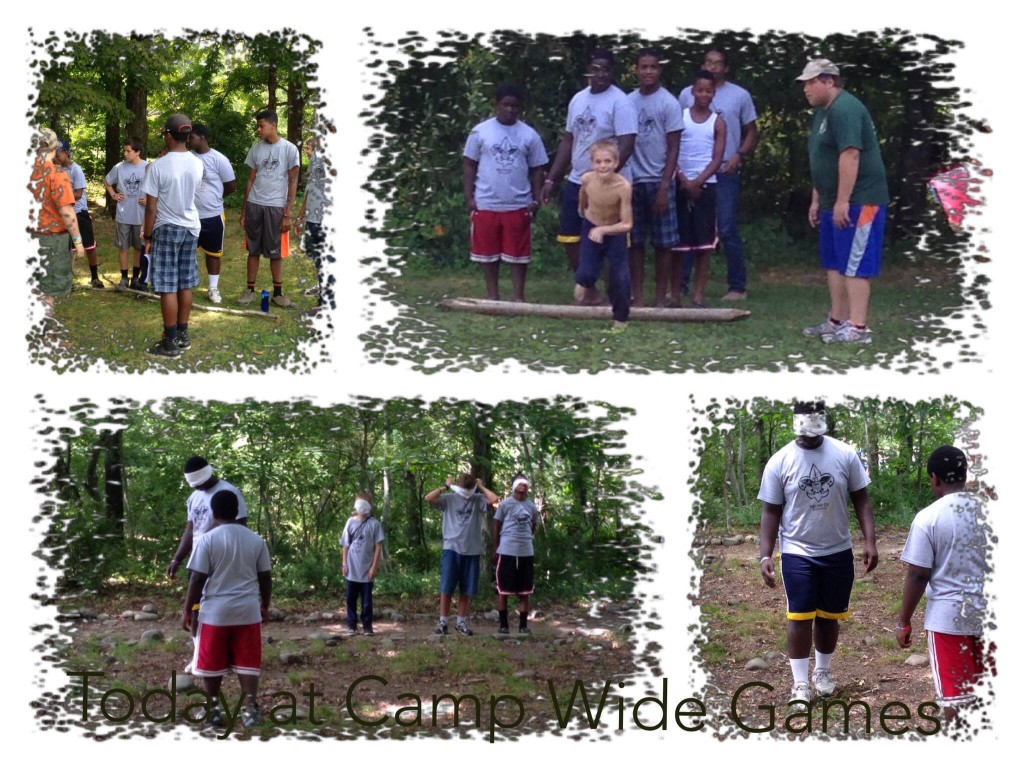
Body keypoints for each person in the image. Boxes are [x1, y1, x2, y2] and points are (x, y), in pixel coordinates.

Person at [757, 400, 878, 708]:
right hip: (798, 550)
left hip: (837, 549)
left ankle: (822, 673)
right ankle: (799, 684)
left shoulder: (844, 455)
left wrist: (870, 540)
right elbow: (771, 511)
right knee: (799, 615)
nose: (810, 436)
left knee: (828, 615)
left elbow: (861, 499)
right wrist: (765, 554)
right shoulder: (780, 461)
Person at [797, 58, 890, 344]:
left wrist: (842, 202)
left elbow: (850, 155)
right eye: (804, 84)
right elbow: (821, 159)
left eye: (811, 82)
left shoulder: (846, 109)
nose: (806, 89)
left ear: (829, 81)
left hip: (860, 199)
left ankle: (858, 328)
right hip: (832, 200)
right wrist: (817, 200)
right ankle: (836, 321)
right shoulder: (823, 113)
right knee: (835, 262)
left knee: (855, 263)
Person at [898, 446, 991, 722]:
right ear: (964, 475)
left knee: (955, 699)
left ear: (935, 478)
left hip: (948, 622)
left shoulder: (928, 518)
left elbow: (917, 574)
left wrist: (904, 620)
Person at [542, 50, 637, 274]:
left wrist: (606, 177)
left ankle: (614, 289)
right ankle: (586, 285)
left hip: (609, 182)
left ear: (612, 72)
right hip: (579, 179)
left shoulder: (620, 102)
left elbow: (627, 143)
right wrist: (551, 179)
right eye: (596, 69)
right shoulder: (578, 99)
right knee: (570, 235)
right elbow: (568, 140)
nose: (601, 74)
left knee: (608, 238)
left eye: (606, 69)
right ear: (588, 70)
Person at [183, 489, 271, 729]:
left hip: (215, 612)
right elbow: (265, 577)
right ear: (237, 511)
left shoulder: (208, 540)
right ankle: (250, 709)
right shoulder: (256, 540)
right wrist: (265, 606)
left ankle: (213, 709)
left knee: (211, 663)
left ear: (214, 512)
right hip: (247, 609)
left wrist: (187, 610)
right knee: (248, 661)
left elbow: (196, 579)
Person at [678, 47, 758, 301]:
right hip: (689, 172)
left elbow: (752, 131)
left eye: (718, 63)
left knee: (725, 227)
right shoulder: (684, 95)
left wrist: (739, 155)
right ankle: (681, 285)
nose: (713, 67)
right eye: (709, 63)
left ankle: (737, 286)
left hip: (724, 170)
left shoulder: (739, 95)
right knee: (687, 229)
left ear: (726, 67)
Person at [462, 83, 548, 302]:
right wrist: (469, 197)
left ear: (521, 108)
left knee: (518, 255)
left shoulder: (529, 135)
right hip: (486, 201)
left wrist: (537, 197)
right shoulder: (480, 131)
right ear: (496, 105)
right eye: (505, 105)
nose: (510, 110)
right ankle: (493, 296)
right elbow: (469, 164)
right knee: (488, 254)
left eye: (515, 106)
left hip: (518, 203)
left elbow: (537, 167)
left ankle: (519, 298)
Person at [141, 113, 204, 357]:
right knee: (185, 283)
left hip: (166, 227)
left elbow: (151, 207)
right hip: (191, 227)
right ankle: (183, 334)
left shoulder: (158, 166)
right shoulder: (197, 163)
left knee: (168, 285)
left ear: (169, 135)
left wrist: (147, 236)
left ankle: (169, 342)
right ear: (188, 136)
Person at [626, 49, 683, 307]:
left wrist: (664, 185)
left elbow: (673, 148)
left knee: (663, 244)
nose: (648, 71)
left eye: (653, 67)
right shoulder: (627, 102)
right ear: (636, 70)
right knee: (634, 243)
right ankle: (638, 297)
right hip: (632, 181)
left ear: (660, 70)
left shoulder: (668, 103)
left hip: (659, 180)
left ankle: (660, 298)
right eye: (643, 67)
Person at [424, 473, 500, 636]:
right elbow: (428, 498)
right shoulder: (449, 498)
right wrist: (444, 486)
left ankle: (461, 622)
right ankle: (443, 621)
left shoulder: (477, 499)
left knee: (467, 588)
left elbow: (494, 500)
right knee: (447, 587)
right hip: (451, 548)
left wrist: (479, 486)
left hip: (472, 549)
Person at [238, 109, 300, 308]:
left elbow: (293, 182)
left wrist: (287, 213)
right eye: (258, 125)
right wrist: (245, 210)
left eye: (261, 125)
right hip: (256, 204)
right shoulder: (256, 149)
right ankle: (249, 290)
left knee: (275, 252)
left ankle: (278, 293)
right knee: (253, 250)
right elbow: (250, 180)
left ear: (273, 125)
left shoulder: (289, 150)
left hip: (276, 207)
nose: (258, 129)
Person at [674, 70, 725, 308]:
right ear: (692, 92)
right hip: (680, 185)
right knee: (677, 243)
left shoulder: (718, 122)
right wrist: (683, 179)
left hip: (706, 187)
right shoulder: (679, 117)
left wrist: (698, 181)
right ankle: (674, 294)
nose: (703, 94)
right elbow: (671, 151)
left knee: (704, 245)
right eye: (699, 90)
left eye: (708, 91)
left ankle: (697, 296)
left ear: (714, 93)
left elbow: (717, 158)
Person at [574, 140, 633, 330]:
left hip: (614, 230)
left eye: (607, 161)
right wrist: (584, 214)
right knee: (586, 273)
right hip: (591, 226)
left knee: (620, 278)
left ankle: (620, 319)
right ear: (592, 164)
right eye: (598, 162)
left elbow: (627, 223)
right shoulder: (587, 179)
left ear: (616, 163)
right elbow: (583, 198)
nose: (603, 166)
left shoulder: (623, 187)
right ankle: (583, 282)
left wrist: (603, 230)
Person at [167, 455, 250, 579]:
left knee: (216, 596)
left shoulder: (229, 492)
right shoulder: (193, 498)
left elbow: (240, 527)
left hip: (222, 560)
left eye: (200, 483)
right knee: (197, 596)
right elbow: (190, 531)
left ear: (209, 475)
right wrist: (176, 559)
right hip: (198, 559)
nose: (198, 487)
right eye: (195, 485)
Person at [29, 127, 84, 308]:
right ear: (53, 147)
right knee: (48, 293)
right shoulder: (57, 174)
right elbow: (67, 212)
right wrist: (77, 241)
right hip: (51, 241)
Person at [187, 123, 237, 305]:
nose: (188, 140)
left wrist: (215, 197)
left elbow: (231, 186)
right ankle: (185, 286)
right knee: (187, 251)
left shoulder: (218, 159)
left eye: (191, 137)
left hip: (213, 215)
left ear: (202, 137)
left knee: (213, 253)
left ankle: (213, 288)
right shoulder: (187, 158)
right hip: (189, 215)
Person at [493, 474, 541, 634]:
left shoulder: (531, 506)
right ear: (514, 486)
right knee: (504, 590)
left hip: (526, 552)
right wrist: (496, 547)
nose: (524, 486)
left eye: (525, 483)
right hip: (507, 551)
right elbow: (496, 525)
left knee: (525, 590)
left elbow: (534, 524)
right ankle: (503, 625)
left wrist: (526, 538)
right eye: (520, 483)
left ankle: (523, 626)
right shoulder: (505, 505)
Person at [102, 137, 149, 291]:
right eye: (125, 150)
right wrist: (114, 195)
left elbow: (157, 188)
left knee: (138, 247)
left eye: (129, 151)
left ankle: (136, 278)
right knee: (123, 247)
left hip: (140, 216)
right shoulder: (119, 167)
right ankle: (124, 277)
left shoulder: (148, 167)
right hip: (123, 214)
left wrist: (148, 199)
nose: (125, 153)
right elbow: (107, 181)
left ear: (137, 152)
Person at [54, 139, 101, 289]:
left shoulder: (76, 170)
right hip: (63, 214)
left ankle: (95, 278)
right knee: (66, 248)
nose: (56, 158)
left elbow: (79, 194)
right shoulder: (56, 170)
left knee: (89, 246)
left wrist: (60, 196)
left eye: (58, 154)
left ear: (66, 153)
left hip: (79, 213)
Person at [340, 493, 385, 635]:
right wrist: (344, 564)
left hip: (367, 570)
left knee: (367, 601)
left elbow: (378, 547)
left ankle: (367, 626)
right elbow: (345, 545)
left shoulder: (374, 524)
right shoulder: (350, 522)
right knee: (350, 599)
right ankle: (351, 625)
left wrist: (374, 567)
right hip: (351, 568)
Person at [296, 136, 328, 310]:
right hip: (312, 220)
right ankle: (321, 293)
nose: (306, 152)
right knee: (318, 261)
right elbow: (308, 193)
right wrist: (300, 217)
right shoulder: (312, 166)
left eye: (309, 149)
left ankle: (325, 303)